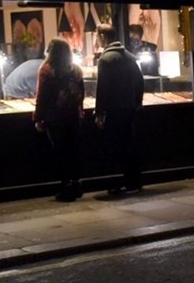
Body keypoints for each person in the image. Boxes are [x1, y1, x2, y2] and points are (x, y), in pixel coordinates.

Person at [95, 23, 145, 195]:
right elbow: (140, 82)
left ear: (102, 36)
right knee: (129, 144)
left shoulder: (105, 59)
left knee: (116, 146)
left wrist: (99, 112)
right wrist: (137, 103)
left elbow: (102, 88)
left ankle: (122, 182)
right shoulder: (130, 57)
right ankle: (135, 180)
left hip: (114, 110)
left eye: (97, 36)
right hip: (129, 108)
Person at [33, 38, 85, 202]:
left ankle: (65, 187)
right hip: (73, 116)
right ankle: (76, 184)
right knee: (74, 150)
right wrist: (79, 110)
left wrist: (38, 118)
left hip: (55, 117)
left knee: (60, 152)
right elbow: (81, 93)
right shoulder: (75, 69)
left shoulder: (47, 70)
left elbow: (42, 97)